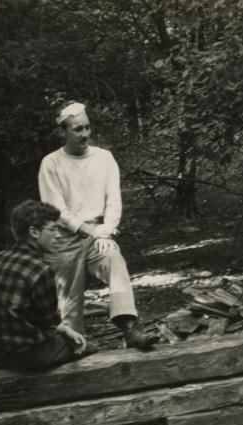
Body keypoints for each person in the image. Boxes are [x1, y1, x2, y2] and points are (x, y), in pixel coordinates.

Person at [38, 101, 157, 349]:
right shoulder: (51, 163)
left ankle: (129, 328)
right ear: (63, 132)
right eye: (78, 129)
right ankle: (72, 346)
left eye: (87, 128)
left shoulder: (104, 158)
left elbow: (114, 200)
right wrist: (90, 230)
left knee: (114, 260)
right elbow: (56, 209)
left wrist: (106, 231)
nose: (85, 134)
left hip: (98, 233)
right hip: (63, 237)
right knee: (68, 299)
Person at [0, 199, 98, 370]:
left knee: (67, 339)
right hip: (26, 355)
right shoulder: (40, 270)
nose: (57, 235)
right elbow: (49, 321)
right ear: (34, 232)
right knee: (89, 348)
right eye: (52, 229)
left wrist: (64, 329)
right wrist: (64, 333)